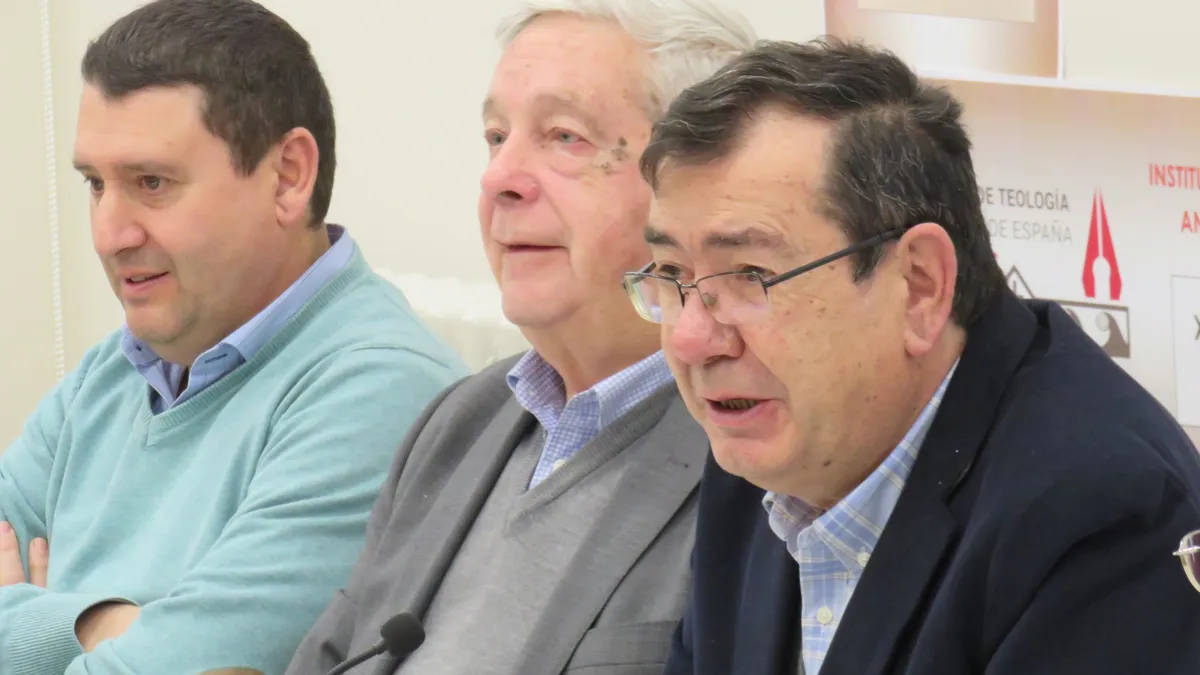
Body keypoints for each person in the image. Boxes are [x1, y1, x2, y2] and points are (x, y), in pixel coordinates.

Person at [626, 38, 1200, 675]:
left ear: (919, 285)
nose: (691, 340)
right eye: (671, 274)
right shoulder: (762, 450)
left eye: (750, 276)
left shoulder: (1099, 511)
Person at [284, 2, 756, 674]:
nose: (499, 177)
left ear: (698, 183)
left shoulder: (756, 457)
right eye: (496, 136)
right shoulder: (458, 421)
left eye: (564, 137)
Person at [0, 1, 467, 673]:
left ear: (288, 176)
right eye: (95, 184)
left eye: (151, 183)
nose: (108, 234)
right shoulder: (121, 367)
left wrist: (44, 614)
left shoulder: (378, 393)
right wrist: (105, 626)